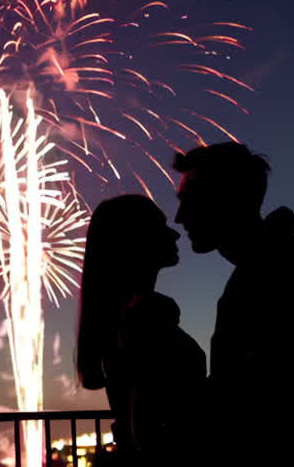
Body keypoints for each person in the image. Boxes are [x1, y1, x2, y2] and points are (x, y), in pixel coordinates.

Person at [174, 142, 294, 465]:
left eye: (189, 201)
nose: (179, 217)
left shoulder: (276, 271)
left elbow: (253, 402)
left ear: (224, 200)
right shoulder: (279, 261)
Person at [76, 195, 205, 466]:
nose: (175, 233)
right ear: (134, 240)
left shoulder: (120, 313)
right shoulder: (144, 314)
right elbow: (155, 419)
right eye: (160, 226)